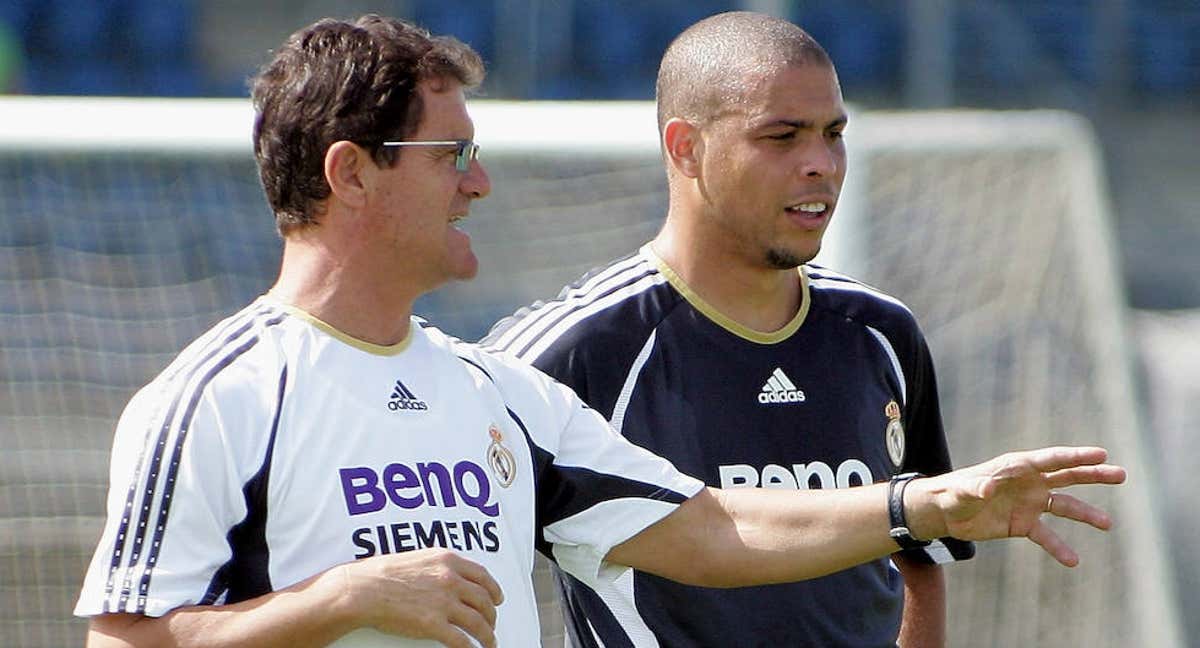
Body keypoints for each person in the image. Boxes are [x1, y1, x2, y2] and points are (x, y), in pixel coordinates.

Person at [74, 13, 1124, 648]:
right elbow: (123, 641)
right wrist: (338, 601)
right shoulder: (217, 397)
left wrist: (926, 501)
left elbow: (712, 531)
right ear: (352, 172)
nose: (481, 183)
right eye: (452, 156)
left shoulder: (499, 396)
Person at [481, 11, 1058, 648]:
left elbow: (920, 554)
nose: (822, 164)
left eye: (833, 134)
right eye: (782, 137)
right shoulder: (574, 350)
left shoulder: (881, 332)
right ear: (686, 148)